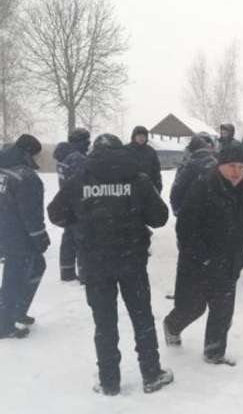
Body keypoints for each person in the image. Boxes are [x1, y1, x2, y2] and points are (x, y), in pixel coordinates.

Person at [47, 134, 173, 396]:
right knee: (142, 318)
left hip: (95, 263)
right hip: (132, 261)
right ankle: (151, 373)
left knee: (104, 323)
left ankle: (109, 381)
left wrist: (82, 223)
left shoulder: (79, 180)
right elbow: (160, 217)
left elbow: (56, 213)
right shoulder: (138, 180)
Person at [163, 145, 243, 366]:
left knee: (223, 309)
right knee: (193, 307)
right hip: (199, 263)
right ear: (220, 166)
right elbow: (185, 229)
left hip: (230, 262)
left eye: (241, 167)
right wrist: (204, 258)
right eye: (231, 166)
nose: (237, 172)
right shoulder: (202, 188)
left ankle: (214, 352)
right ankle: (172, 325)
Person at [0, 135, 49, 340]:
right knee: (14, 279)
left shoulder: (0, 170)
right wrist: (39, 237)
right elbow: (31, 213)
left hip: (4, 231)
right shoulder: (25, 177)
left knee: (35, 267)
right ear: (27, 153)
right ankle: (2, 326)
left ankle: (16, 312)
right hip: (20, 236)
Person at [53, 128, 91, 281]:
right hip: (79, 203)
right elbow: (81, 181)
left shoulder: (63, 156)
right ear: (81, 141)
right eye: (87, 141)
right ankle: (85, 274)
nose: (89, 144)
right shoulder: (77, 159)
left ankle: (67, 271)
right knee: (82, 239)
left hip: (66, 201)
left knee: (68, 237)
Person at [169, 135, 217, 216]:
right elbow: (178, 188)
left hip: (196, 210)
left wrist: (178, 210)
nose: (208, 146)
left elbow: (177, 189)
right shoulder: (188, 164)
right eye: (206, 144)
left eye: (209, 144)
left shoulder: (216, 163)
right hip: (203, 211)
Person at [128, 125, 163, 192]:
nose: (141, 138)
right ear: (134, 136)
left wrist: (158, 187)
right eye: (139, 135)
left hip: (148, 190)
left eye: (144, 136)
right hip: (131, 190)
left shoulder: (151, 151)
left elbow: (156, 172)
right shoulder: (126, 150)